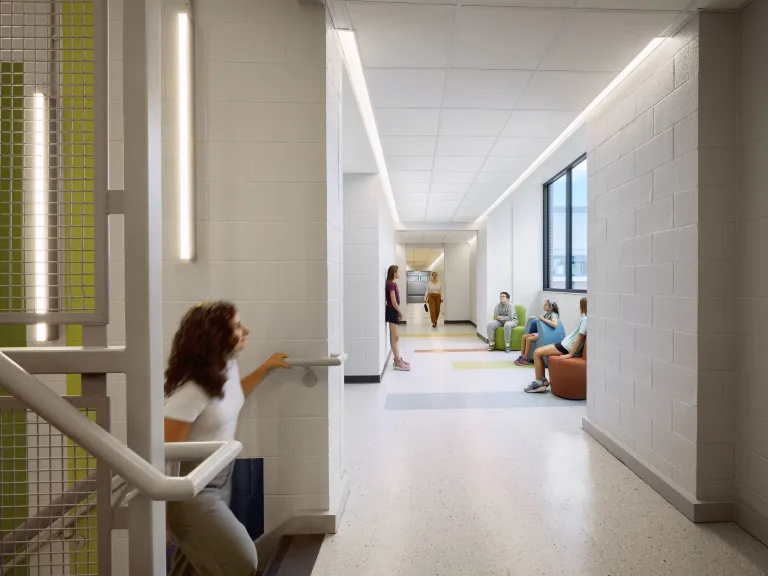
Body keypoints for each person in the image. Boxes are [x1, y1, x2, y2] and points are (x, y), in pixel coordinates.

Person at [163, 301, 290, 576]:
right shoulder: (191, 391)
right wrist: (161, 521)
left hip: (221, 479)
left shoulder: (226, 367)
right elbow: (164, 457)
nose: (246, 330)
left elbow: (233, 396)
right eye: (237, 326)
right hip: (193, 492)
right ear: (216, 335)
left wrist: (266, 368)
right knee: (242, 562)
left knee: (194, 568)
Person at [524, 296, 587, 393]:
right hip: (564, 343)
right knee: (538, 351)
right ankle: (543, 380)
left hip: (566, 347)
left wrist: (570, 354)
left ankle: (539, 383)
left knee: (537, 353)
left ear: (583, 306)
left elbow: (580, 338)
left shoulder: (585, 319)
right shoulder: (585, 319)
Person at [515, 299, 560, 366]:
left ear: (551, 307)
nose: (544, 306)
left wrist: (543, 319)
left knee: (529, 339)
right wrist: (535, 317)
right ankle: (522, 355)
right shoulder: (547, 314)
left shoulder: (553, 315)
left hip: (546, 334)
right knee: (524, 337)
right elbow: (541, 319)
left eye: (545, 305)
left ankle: (525, 358)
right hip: (541, 333)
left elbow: (554, 324)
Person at [385, 265, 410, 371]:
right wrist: (400, 312)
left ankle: (398, 359)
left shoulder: (393, 284)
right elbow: (393, 301)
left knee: (395, 337)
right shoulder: (391, 284)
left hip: (393, 311)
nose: (399, 273)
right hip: (392, 311)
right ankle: (397, 361)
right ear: (394, 273)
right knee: (395, 338)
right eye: (398, 271)